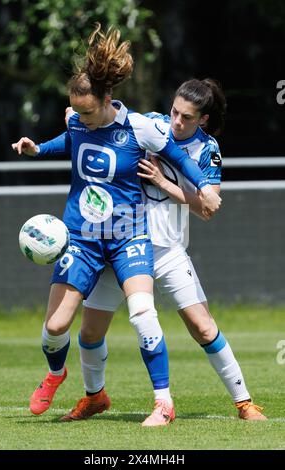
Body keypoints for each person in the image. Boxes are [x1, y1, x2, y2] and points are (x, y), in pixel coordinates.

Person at [12, 24, 221, 427]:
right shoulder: (78, 121)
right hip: (82, 240)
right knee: (56, 327)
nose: (82, 119)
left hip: (129, 235)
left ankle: (163, 403)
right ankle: (57, 374)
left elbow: (179, 156)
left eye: (89, 112)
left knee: (143, 313)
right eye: (77, 112)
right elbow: (69, 139)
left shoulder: (139, 127)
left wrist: (206, 186)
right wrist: (39, 147)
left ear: (107, 99)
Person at [60, 78, 266, 424]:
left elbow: (206, 208)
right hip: (121, 245)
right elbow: (109, 117)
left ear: (202, 119)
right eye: (174, 111)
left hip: (168, 250)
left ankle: (244, 403)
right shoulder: (153, 124)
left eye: (186, 117)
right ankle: (95, 398)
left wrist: (162, 181)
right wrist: (78, 114)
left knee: (202, 327)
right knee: (90, 332)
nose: (176, 122)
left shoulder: (207, 150)